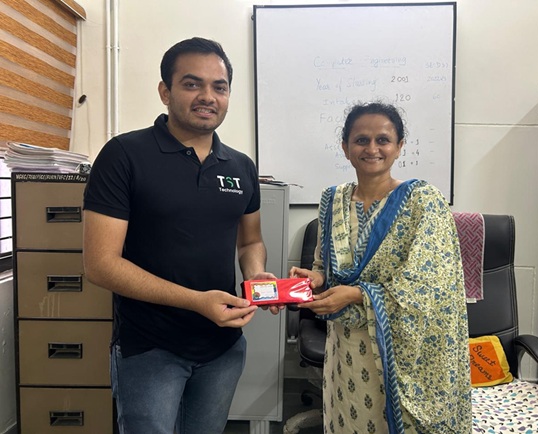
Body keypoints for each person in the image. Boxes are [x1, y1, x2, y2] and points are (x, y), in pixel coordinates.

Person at [83, 37, 276, 434]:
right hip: (149, 348)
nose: (208, 96)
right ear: (165, 92)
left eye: (219, 87)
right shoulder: (124, 155)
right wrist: (196, 302)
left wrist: (256, 275)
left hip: (222, 346)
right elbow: (101, 265)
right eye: (192, 84)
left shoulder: (240, 166)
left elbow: (250, 241)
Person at [290, 102, 472, 433]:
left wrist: (357, 294)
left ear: (399, 146)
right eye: (361, 140)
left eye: (383, 140)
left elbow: (430, 284)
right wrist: (315, 277)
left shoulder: (423, 202)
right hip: (344, 345)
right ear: (345, 148)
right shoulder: (333, 200)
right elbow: (325, 265)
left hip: (400, 351)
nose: (372, 148)